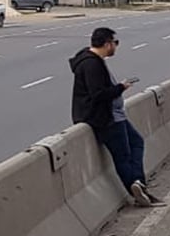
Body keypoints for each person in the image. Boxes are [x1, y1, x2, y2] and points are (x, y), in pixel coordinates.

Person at [70, 27, 163, 207]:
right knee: (122, 156)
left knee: (137, 142)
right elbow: (97, 94)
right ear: (107, 44)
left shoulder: (94, 60)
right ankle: (136, 190)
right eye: (115, 43)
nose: (116, 47)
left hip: (114, 115)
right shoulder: (91, 65)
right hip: (106, 119)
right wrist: (121, 88)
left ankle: (138, 183)